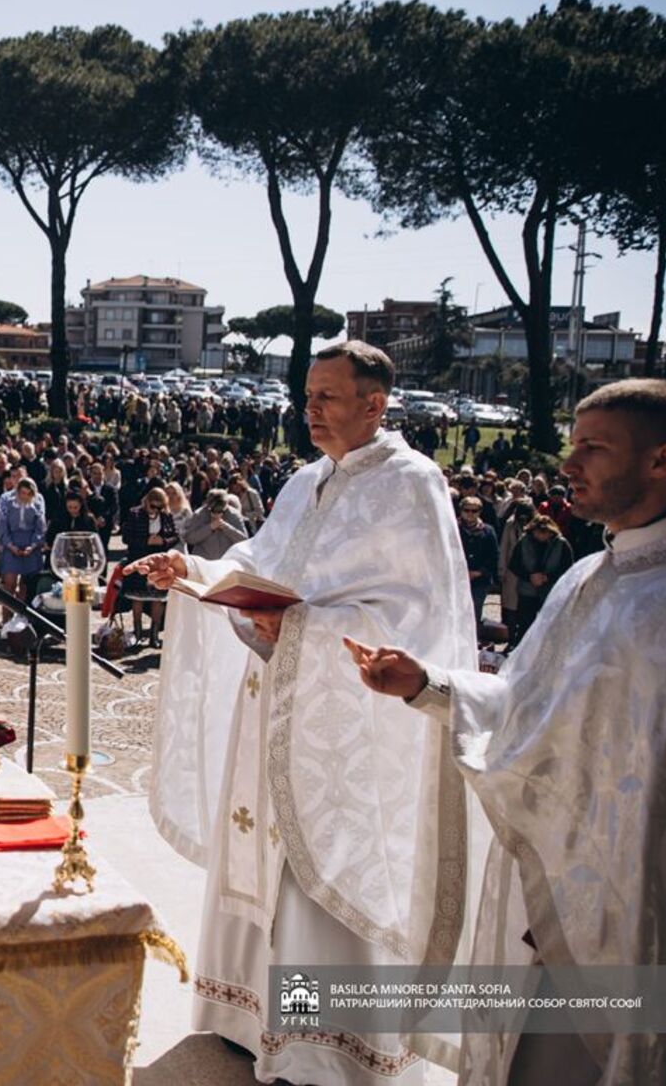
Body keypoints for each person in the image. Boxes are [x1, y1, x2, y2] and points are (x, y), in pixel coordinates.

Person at [134, 342, 478, 1084]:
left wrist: (307, 631)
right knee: (264, 854)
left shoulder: (412, 484)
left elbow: (415, 612)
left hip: (350, 719)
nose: (310, 410)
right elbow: (263, 564)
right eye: (308, 396)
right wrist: (196, 573)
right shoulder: (302, 481)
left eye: (327, 397)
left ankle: (328, 1048)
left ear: (375, 404)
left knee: (323, 865)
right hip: (277, 701)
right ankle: (249, 1016)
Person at [348, 379, 666, 1086]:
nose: (570, 464)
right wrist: (427, 685)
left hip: (642, 910)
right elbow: (524, 702)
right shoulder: (588, 573)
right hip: (553, 889)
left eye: (594, 448)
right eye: (572, 445)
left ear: (664, 461)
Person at [119, 486, 178, 646]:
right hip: (139, 558)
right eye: (153, 506)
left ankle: (154, 634)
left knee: (158, 596)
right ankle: (137, 632)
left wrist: (163, 541)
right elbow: (126, 537)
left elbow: (175, 536)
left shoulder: (166, 516)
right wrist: (145, 541)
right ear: (147, 502)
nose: (155, 510)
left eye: (159, 507)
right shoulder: (135, 514)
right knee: (138, 596)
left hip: (159, 561)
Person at [507, 513, 573, 644]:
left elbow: (568, 567)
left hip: (551, 591)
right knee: (525, 624)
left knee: (549, 625)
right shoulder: (523, 541)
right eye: (539, 532)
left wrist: (547, 577)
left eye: (546, 532)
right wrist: (529, 576)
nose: (542, 535)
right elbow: (514, 564)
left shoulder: (562, 544)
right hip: (527, 590)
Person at [0, 476, 47, 622]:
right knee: (9, 584)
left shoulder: (38, 501)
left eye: (28, 494)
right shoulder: (7, 501)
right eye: (22, 493)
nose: (24, 496)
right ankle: (6, 619)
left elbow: (40, 527)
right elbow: (2, 526)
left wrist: (33, 545)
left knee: (26, 585)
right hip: (11, 544)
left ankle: (22, 619)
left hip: (31, 545)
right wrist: (10, 545)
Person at [457, 494, 500, 622]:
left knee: (474, 613)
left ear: (479, 512)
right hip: (457, 578)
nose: (470, 513)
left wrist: (479, 572)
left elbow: (493, 554)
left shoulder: (488, 530)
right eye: (467, 510)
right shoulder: (453, 528)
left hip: (480, 579)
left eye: (474, 510)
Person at [181, 488, 248, 561]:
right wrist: (210, 527)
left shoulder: (234, 515)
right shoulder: (199, 514)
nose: (217, 512)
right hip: (205, 561)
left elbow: (243, 540)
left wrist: (225, 527)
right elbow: (190, 538)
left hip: (227, 561)